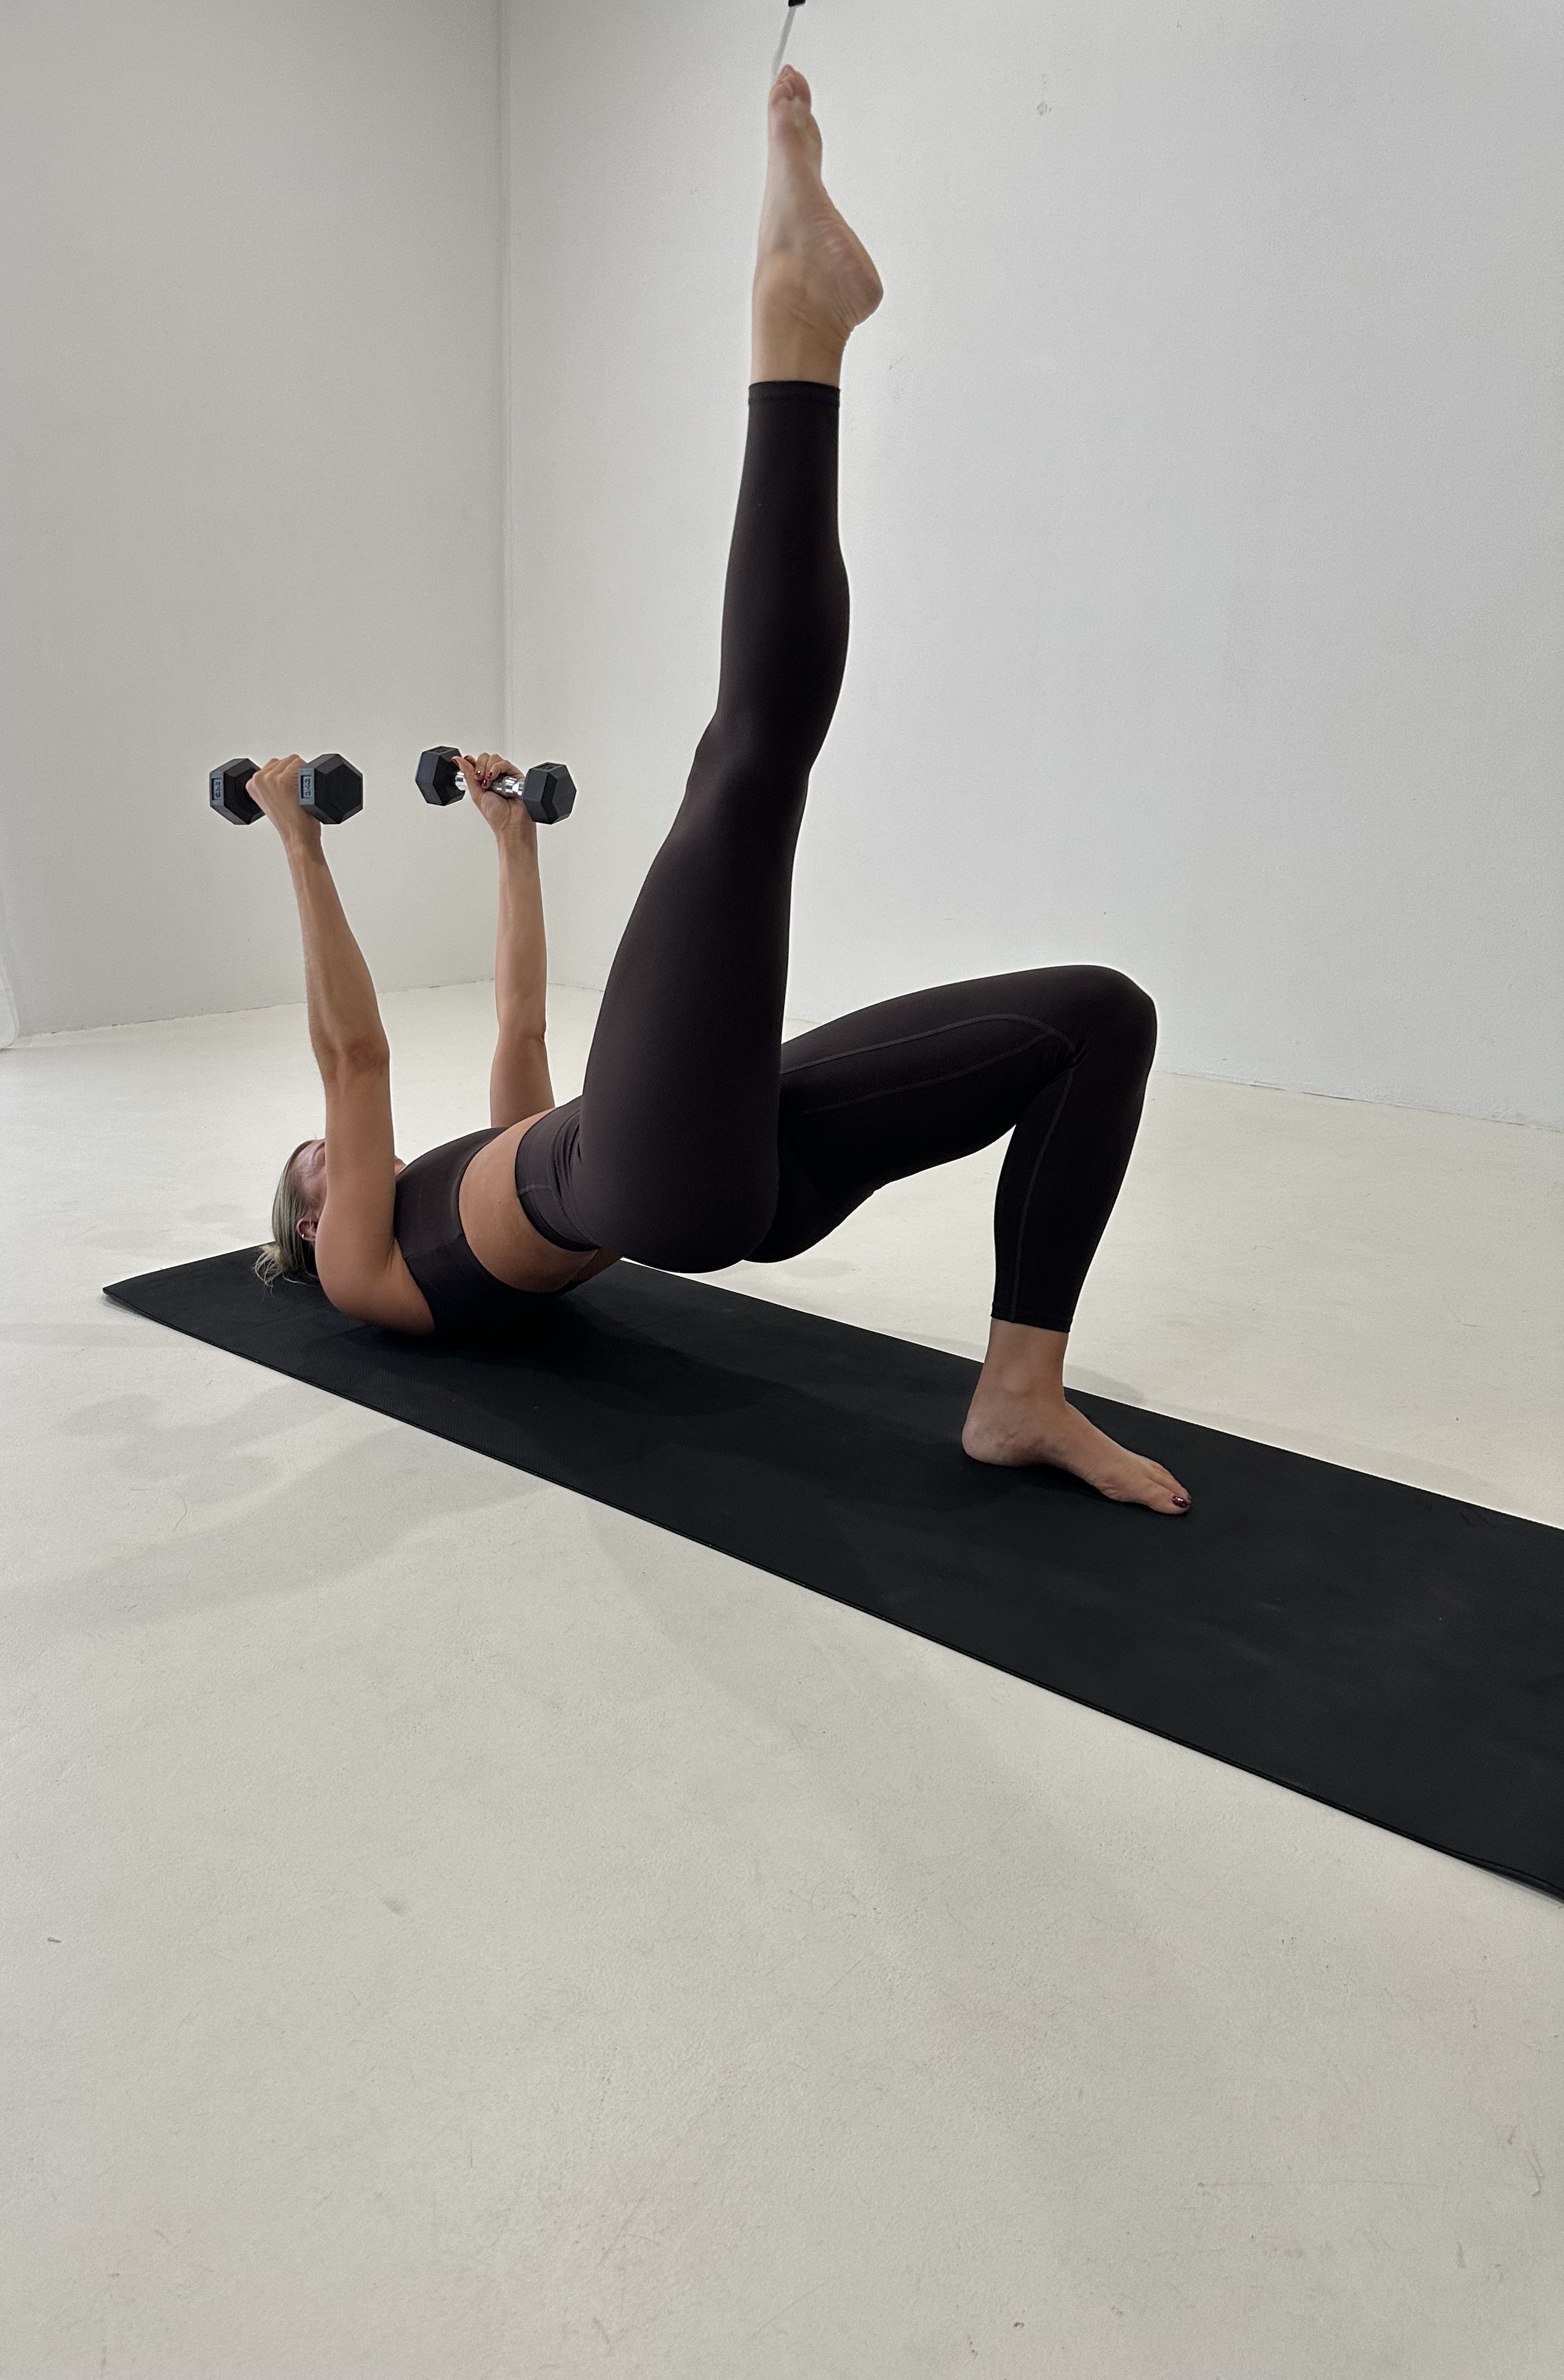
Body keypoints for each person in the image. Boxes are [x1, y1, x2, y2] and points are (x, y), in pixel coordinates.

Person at [249, 66, 1190, 1517]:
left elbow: (512, 1026)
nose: (332, 1161)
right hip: (666, 1183)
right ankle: (790, 327)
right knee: (744, 759)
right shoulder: (370, 1273)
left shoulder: (492, 1168)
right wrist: (300, 847)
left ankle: (1018, 1390)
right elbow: (356, 1061)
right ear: (310, 1234)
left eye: (321, 1166)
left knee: (1092, 1018)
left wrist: (513, 853)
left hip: (703, 1155)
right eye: (312, 1178)